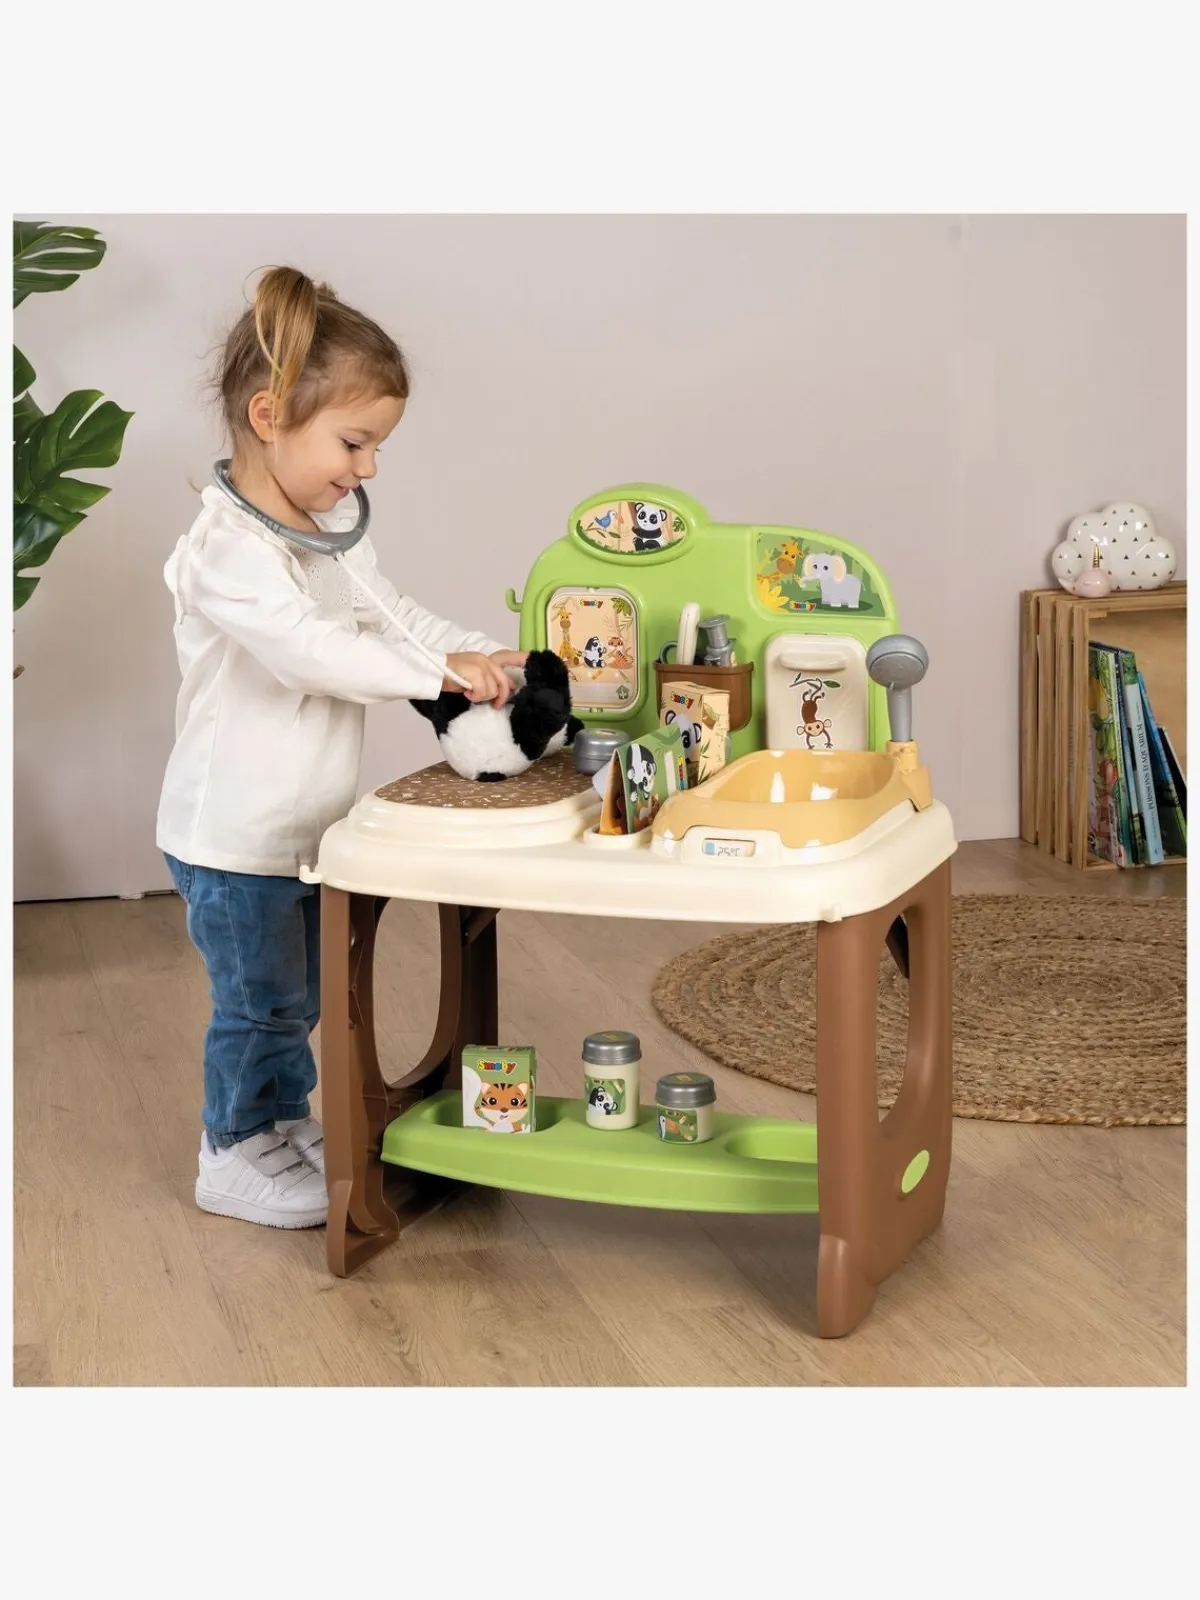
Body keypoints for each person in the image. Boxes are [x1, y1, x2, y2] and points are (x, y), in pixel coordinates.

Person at [157, 265, 524, 1229]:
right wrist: (433, 673)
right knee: (260, 1003)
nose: (367, 469)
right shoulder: (227, 554)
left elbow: (389, 617)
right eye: (354, 443)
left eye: (375, 448)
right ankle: (231, 1147)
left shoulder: (328, 536)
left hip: (306, 827)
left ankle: (280, 1122)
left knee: (298, 997)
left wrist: (473, 650)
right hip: (232, 836)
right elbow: (312, 653)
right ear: (269, 415)